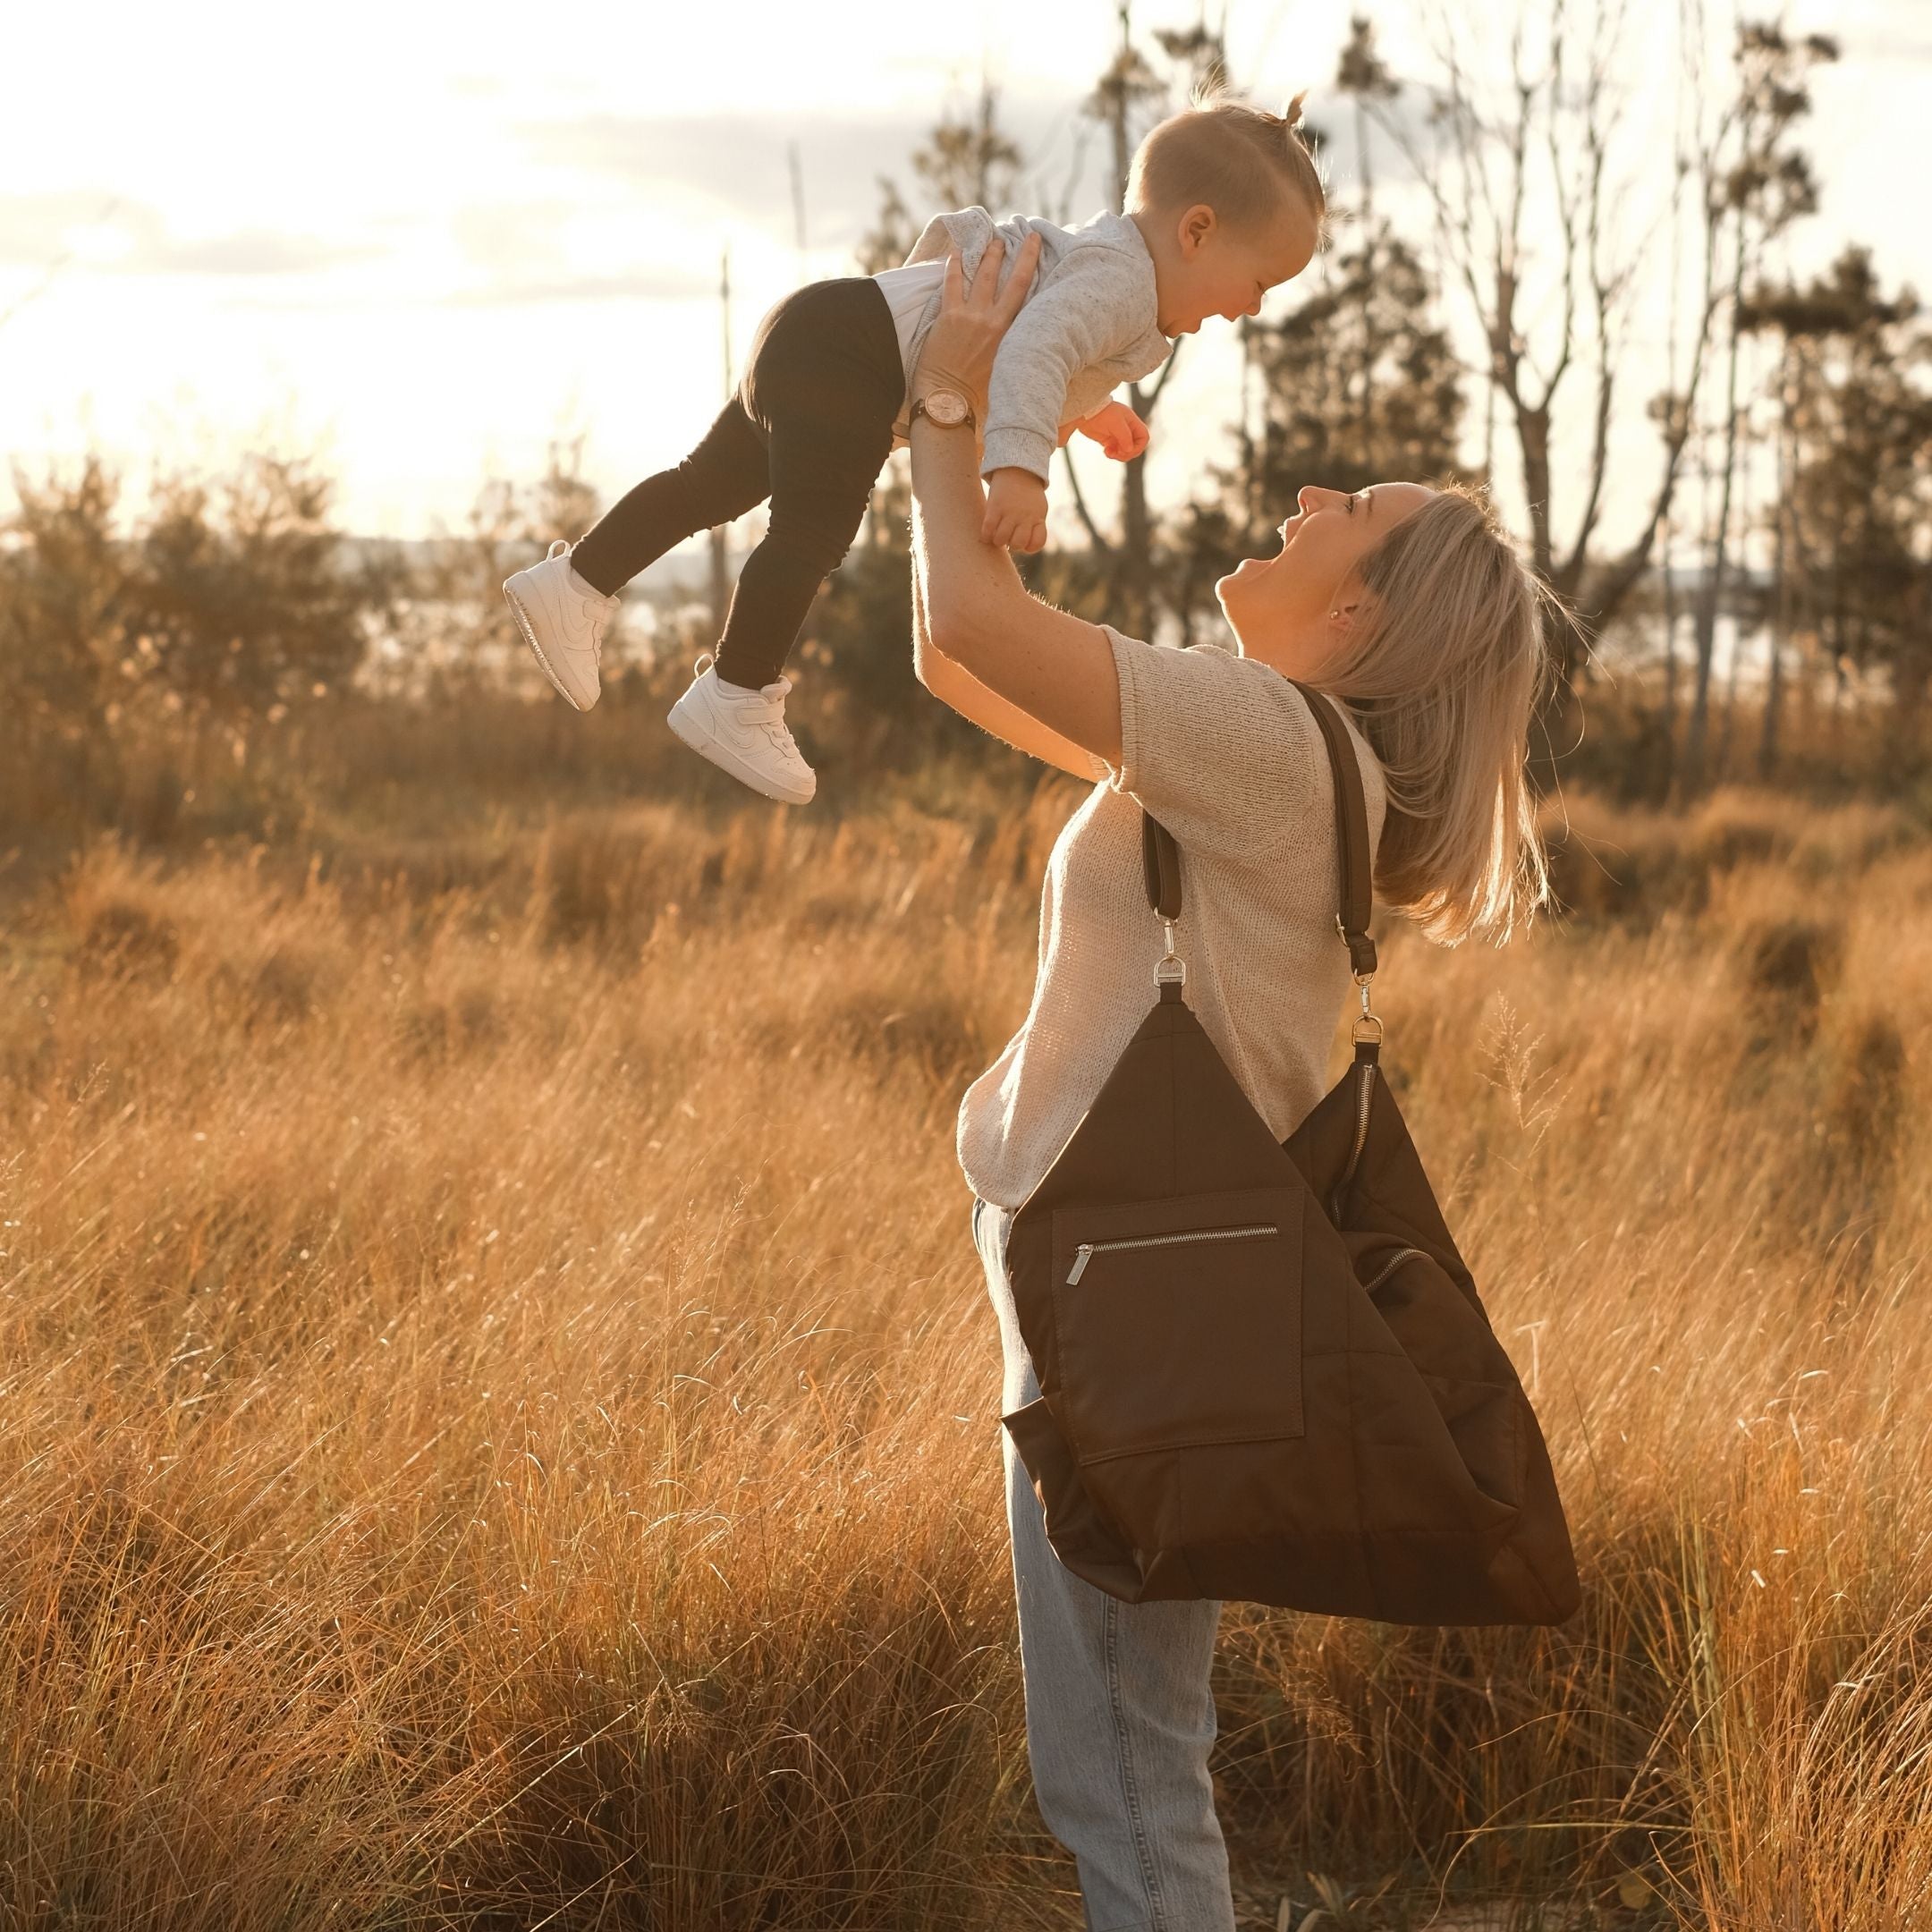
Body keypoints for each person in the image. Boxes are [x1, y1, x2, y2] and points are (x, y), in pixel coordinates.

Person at [906, 234, 1559, 1929]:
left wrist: (960, 386)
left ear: (1356, 612)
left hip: (1129, 1289)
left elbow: (971, 615)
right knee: (1126, 1760)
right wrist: (984, 423)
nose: (1314, 492)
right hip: (1127, 1277)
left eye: (1353, 512)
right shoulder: (1273, 753)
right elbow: (952, 656)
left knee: (1124, 1779)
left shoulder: (1264, 743)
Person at [499, 81, 1325, 805]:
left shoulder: (1098, 262)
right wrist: (1018, 473)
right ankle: (737, 687)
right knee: (813, 534)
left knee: (704, 487)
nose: (1252, 308)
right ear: (1198, 231)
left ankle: (576, 581)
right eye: (1258, 283)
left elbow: (1038, 348)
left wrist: (1086, 410)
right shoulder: (1126, 284)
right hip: (849, 359)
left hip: (819, 323)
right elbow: (1037, 350)